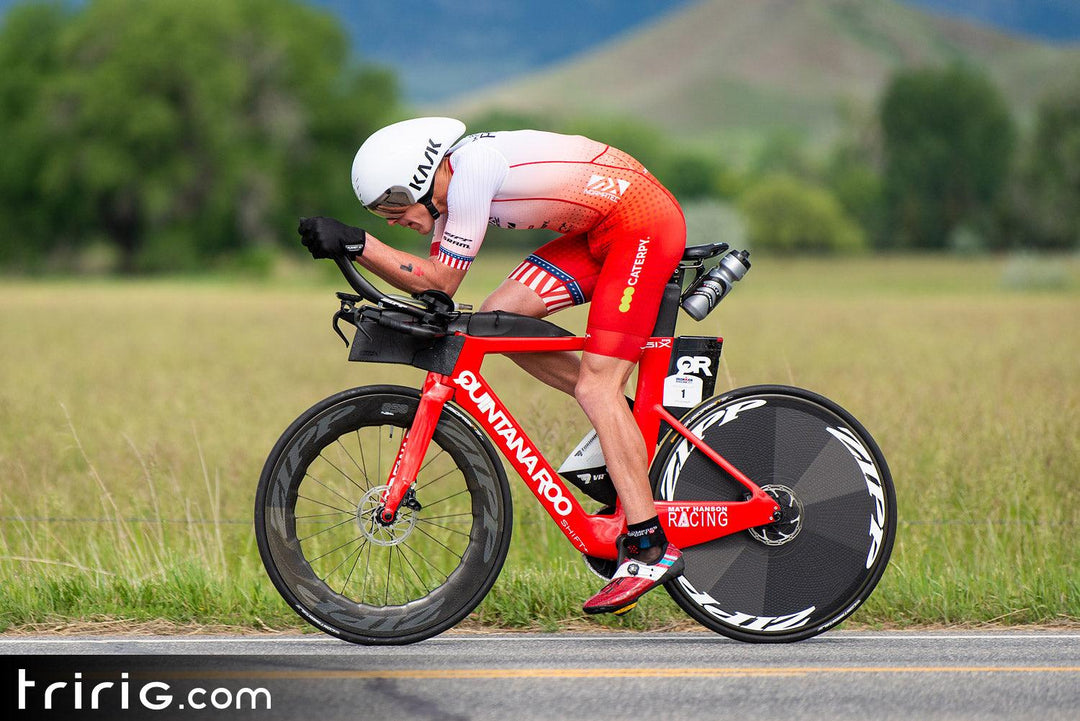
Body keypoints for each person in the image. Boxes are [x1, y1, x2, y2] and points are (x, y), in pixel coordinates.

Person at [298, 117, 686, 615]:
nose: (390, 222)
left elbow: (439, 279)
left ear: (418, 181)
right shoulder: (450, 190)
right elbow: (436, 289)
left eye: (391, 209)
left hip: (640, 223)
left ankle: (649, 547)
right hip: (599, 231)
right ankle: (623, 429)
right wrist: (362, 249)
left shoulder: (471, 173)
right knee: (498, 323)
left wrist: (358, 243)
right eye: (378, 216)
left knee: (597, 388)